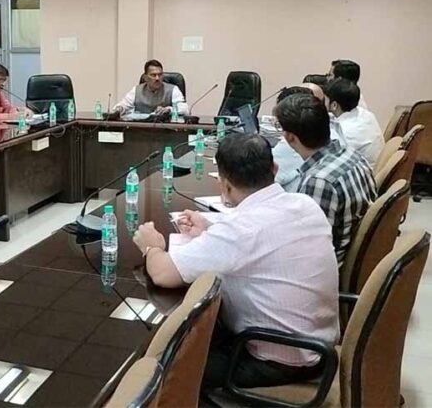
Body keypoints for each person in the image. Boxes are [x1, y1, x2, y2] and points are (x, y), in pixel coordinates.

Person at [131, 133, 339, 390]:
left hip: (277, 361)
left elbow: (163, 274)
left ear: (225, 185)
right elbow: (258, 236)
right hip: (318, 345)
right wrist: (210, 228)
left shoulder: (241, 230)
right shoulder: (305, 204)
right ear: (274, 169)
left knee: (157, 366)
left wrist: (151, 245)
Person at [274, 93, 376, 263]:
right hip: (352, 255)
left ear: (290, 137)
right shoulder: (352, 155)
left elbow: (308, 252)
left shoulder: (319, 181)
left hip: (329, 269)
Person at [324, 79, 383, 168]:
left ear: (334, 105)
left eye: (324, 100)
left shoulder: (344, 132)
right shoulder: (365, 114)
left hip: (363, 172)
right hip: (371, 166)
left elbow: (328, 161)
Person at [112, 59, 188, 115]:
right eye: (153, 75)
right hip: (141, 128)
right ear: (145, 77)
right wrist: (120, 108)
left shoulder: (173, 90)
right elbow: (123, 105)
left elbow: (185, 110)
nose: (157, 78)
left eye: (160, 75)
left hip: (165, 129)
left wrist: (169, 109)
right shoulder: (136, 90)